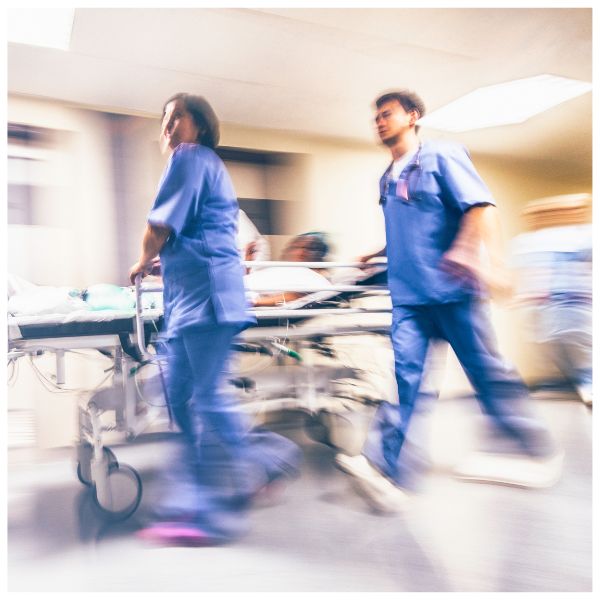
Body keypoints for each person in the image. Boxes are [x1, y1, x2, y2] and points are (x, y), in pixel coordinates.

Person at [335, 90, 562, 513]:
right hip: (410, 300)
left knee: (488, 374)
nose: (379, 122)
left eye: (387, 115)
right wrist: (377, 254)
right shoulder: (386, 179)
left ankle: (535, 451)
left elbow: (478, 206)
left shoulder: (441, 156)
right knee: (405, 383)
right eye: (376, 118)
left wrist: (463, 249)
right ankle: (390, 471)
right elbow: (413, 229)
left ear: (413, 117)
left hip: (453, 291)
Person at [129, 92, 300, 545]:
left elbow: (159, 227)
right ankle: (259, 465)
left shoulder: (191, 157)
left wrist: (143, 259)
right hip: (190, 302)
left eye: (177, 117)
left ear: (199, 125)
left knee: (203, 401)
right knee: (178, 396)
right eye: (163, 120)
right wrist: (165, 262)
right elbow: (196, 236)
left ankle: (209, 511)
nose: (168, 127)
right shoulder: (200, 166)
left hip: (207, 301)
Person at [511, 194, 592, 406]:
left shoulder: (585, 236)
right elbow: (528, 274)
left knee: (582, 347)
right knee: (553, 345)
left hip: (576, 302)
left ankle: (589, 385)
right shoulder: (529, 242)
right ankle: (578, 383)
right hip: (545, 306)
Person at [246, 232, 331, 307]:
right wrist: (248, 264)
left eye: (306, 248)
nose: (300, 252)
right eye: (294, 246)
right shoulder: (284, 269)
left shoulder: (312, 277)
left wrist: (254, 302)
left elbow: (296, 296)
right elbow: (250, 281)